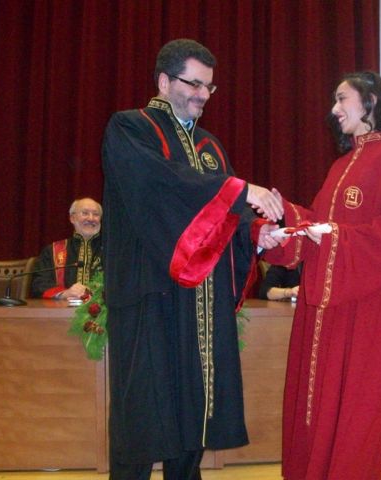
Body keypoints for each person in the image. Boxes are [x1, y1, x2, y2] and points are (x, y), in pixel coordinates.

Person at [100, 39, 282, 480]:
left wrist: (256, 234)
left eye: (209, 87)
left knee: (193, 411)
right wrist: (240, 190)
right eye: (194, 84)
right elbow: (161, 185)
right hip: (149, 295)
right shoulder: (130, 127)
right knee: (142, 412)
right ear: (164, 82)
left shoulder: (210, 146)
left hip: (201, 303)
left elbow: (226, 218)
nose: (203, 95)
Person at [264, 71, 381, 479]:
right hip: (325, 311)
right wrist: (285, 218)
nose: (334, 109)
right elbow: (320, 225)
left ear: (370, 101)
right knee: (315, 399)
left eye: (341, 98)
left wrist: (333, 237)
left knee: (354, 403)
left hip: (364, 311)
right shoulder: (340, 167)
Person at [30, 197, 103, 299]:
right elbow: (39, 283)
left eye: (96, 214)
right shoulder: (52, 251)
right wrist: (65, 293)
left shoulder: (112, 251)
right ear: (72, 218)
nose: (91, 218)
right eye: (85, 213)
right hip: (62, 307)